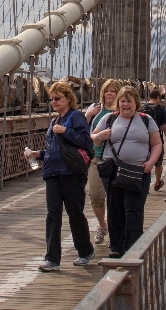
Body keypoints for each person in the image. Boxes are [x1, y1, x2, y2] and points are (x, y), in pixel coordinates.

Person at [28, 81, 96, 271]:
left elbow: (85, 142)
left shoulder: (76, 117)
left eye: (58, 98)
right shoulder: (54, 121)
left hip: (72, 173)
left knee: (75, 213)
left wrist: (66, 131)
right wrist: (38, 154)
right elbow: (54, 149)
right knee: (53, 215)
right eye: (51, 99)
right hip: (53, 173)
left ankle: (85, 251)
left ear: (68, 98)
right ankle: (52, 259)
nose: (54, 102)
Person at [91, 86, 163, 258]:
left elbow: (157, 144)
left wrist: (151, 163)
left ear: (136, 103)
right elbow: (93, 137)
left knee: (134, 210)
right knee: (115, 210)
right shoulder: (109, 119)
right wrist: (101, 136)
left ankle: (133, 248)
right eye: (122, 101)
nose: (125, 104)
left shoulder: (146, 120)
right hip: (114, 171)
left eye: (129, 101)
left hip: (139, 172)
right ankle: (116, 247)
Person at [84, 79, 121, 245]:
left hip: (117, 161)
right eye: (107, 90)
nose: (110, 94)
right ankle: (102, 225)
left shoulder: (125, 110)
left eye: (113, 91)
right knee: (96, 195)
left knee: (115, 198)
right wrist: (88, 116)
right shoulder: (96, 111)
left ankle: (116, 232)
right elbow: (82, 133)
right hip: (96, 159)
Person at [141, 89, 166, 191]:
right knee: (158, 163)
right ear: (158, 97)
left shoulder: (142, 108)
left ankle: (143, 183)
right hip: (156, 140)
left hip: (143, 139)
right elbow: (165, 127)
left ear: (149, 97)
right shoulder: (161, 109)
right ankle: (157, 182)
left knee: (143, 161)